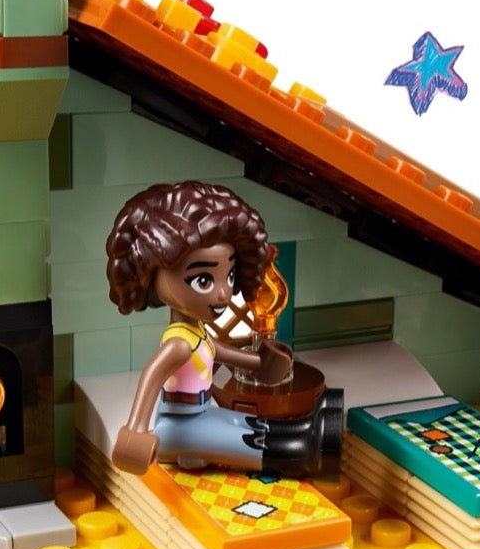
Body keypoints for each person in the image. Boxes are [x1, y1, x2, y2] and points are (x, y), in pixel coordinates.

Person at [105, 181, 341, 479]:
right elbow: (151, 377)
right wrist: (136, 431)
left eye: (228, 276)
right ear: (152, 278)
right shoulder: (178, 345)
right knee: (243, 441)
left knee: (248, 424)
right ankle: (307, 448)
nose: (223, 294)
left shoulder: (196, 333)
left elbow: (217, 350)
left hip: (201, 415)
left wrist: (259, 363)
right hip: (178, 429)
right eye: (203, 280)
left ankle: (307, 427)